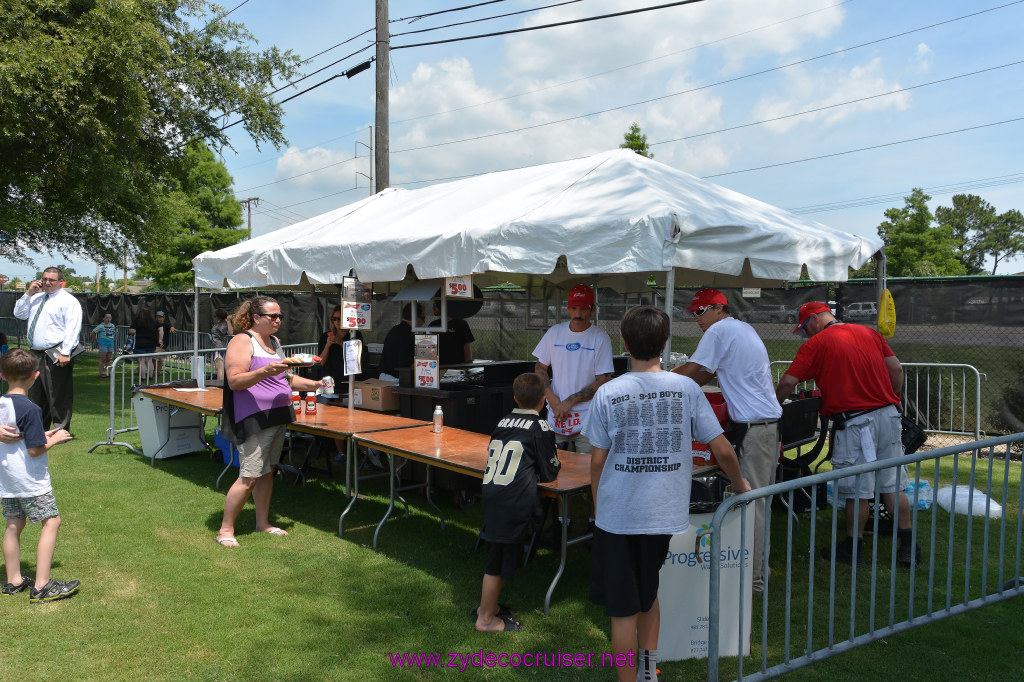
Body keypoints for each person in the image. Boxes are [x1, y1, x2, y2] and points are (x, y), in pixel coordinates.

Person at [584, 306, 750, 682]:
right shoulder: (687, 388)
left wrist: (598, 506)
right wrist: (740, 483)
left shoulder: (609, 392)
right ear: (665, 343)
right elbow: (723, 449)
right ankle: (648, 672)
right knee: (648, 591)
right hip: (661, 515)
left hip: (618, 516)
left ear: (624, 344)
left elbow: (597, 461)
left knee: (623, 609)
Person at [775, 301, 919, 566]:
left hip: (855, 423)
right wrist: (894, 397)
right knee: (892, 484)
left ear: (816, 319)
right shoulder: (869, 333)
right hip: (888, 415)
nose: (805, 334)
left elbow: (787, 382)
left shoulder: (817, 344)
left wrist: (772, 409)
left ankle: (853, 549)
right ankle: (908, 547)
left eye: (805, 328)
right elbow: (896, 369)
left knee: (857, 490)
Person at [672, 288, 782, 595]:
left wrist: (659, 379)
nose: (697, 321)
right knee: (760, 503)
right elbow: (703, 375)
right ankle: (758, 571)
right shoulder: (739, 327)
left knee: (755, 505)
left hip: (756, 428)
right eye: (693, 314)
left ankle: (754, 583)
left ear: (718, 308)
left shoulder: (719, 330)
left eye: (699, 313)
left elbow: (694, 372)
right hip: (762, 427)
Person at [215, 296, 325, 548]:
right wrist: (264, 371)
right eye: (272, 316)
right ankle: (225, 530)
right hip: (254, 419)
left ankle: (262, 523)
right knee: (249, 476)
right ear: (255, 317)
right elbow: (235, 380)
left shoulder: (274, 342)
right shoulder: (242, 340)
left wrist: (315, 385)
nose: (278, 320)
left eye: (280, 316)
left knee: (267, 473)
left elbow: (285, 379)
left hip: (278, 416)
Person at [474, 372, 561, 633]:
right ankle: (486, 619)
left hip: (493, 494)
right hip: (513, 500)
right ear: (544, 401)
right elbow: (550, 471)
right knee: (499, 562)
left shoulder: (502, 422)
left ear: (514, 398)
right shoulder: (541, 427)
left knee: (498, 554)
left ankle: (487, 607)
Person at [532, 284, 614, 534]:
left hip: (588, 417)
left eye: (584, 308)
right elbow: (539, 368)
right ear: (567, 308)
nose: (578, 313)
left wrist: (571, 401)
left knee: (592, 472)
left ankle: (594, 523)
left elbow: (604, 379)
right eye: (574, 308)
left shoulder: (599, 338)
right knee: (552, 467)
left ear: (593, 309)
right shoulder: (554, 333)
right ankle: (560, 522)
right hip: (556, 416)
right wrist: (554, 400)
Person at [0, 349, 79, 603]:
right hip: (31, 481)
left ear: (3, 376)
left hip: (8, 480)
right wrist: (55, 439)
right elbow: (34, 450)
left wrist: (41, 434)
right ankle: (42, 585)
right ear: (36, 376)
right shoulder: (31, 409)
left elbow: (21, 437)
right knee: (52, 522)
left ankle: (14, 580)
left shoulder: (1, 404)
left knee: (14, 525)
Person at [12, 267, 83, 430]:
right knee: (36, 394)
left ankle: (61, 430)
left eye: (51, 280)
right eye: (44, 279)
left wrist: (66, 352)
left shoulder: (68, 301)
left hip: (56, 352)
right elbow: (19, 314)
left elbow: (72, 327)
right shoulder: (36, 298)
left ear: (60, 282)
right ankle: (38, 428)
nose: (47, 283)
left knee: (58, 394)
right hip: (35, 353)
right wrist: (28, 294)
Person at [378, 303, 424, 383]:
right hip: (395, 379)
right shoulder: (407, 334)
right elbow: (404, 364)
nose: (424, 322)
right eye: (423, 318)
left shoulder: (395, 329)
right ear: (416, 318)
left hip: (385, 376)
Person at [428, 301, 473, 365]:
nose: (433, 307)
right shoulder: (432, 325)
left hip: (457, 369)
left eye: (435, 304)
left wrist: (467, 367)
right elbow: (428, 349)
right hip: (438, 367)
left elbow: (467, 348)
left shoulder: (461, 324)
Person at [129, 306, 160, 383]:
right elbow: (160, 329)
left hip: (140, 344)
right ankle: (150, 376)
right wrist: (160, 339)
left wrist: (134, 331)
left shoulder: (137, 321)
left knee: (141, 361)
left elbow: (131, 331)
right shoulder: (154, 321)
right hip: (151, 344)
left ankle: (143, 377)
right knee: (149, 360)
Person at [210, 308, 233, 385]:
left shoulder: (223, 325)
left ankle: (221, 387)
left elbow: (230, 333)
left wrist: (229, 321)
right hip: (218, 347)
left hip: (219, 348)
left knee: (219, 369)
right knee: (220, 369)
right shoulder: (221, 323)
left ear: (218, 316)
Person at [92, 313, 116, 379]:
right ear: (103, 318)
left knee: (108, 359)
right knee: (103, 359)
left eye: (110, 318)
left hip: (110, 343)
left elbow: (112, 334)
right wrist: (96, 341)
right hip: (103, 344)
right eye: (107, 318)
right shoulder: (101, 326)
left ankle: (108, 373)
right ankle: (101, 373)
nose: (108, 319)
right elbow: (93, 333)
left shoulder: (112, 326)